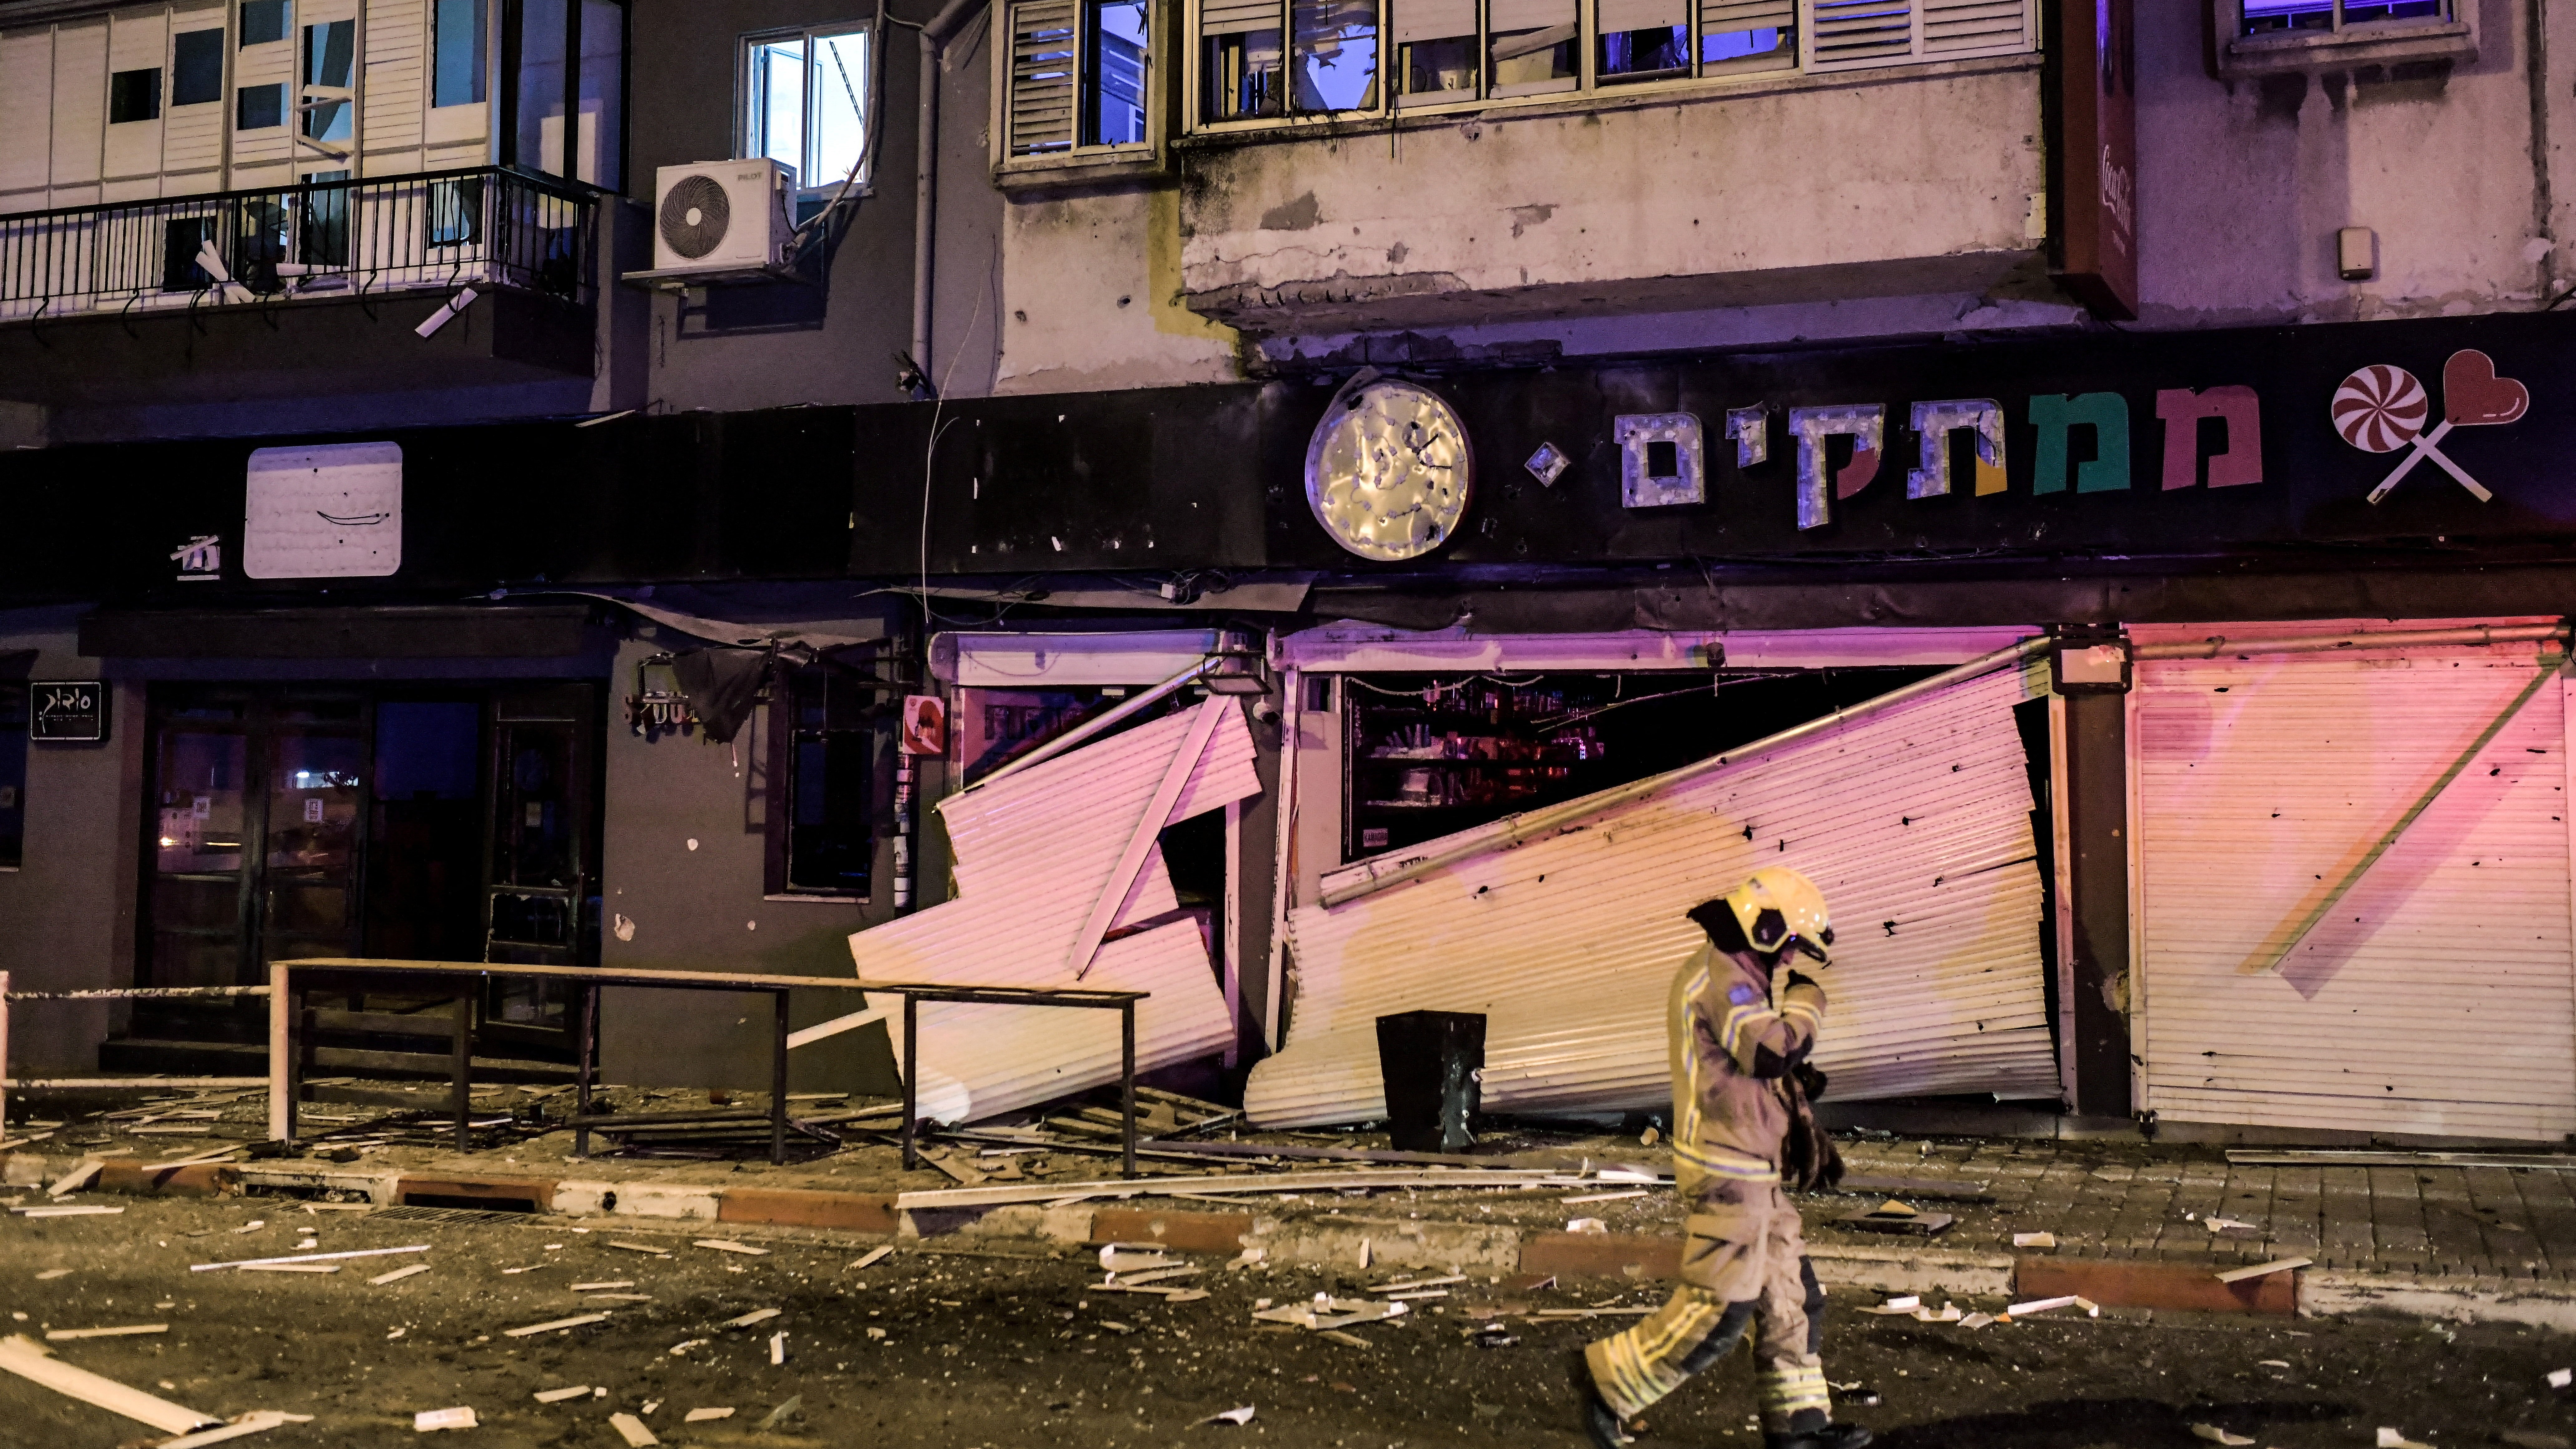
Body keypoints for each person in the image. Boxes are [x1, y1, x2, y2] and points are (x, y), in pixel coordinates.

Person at [1573, 866, 1869, 1449]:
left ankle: (1800, 1427)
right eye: (1791, 946)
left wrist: (1800, 1115)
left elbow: (1755, 1074)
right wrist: (1808, 1006)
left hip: (1755, 1170)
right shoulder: (1722, 976)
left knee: (1793, 1296)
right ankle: (1606, 1382)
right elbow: (1767, 1051)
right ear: (1766, 929)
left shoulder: (1743, 977)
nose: (1792, 960)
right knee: (1721, 1309)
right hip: (1726, 1171)